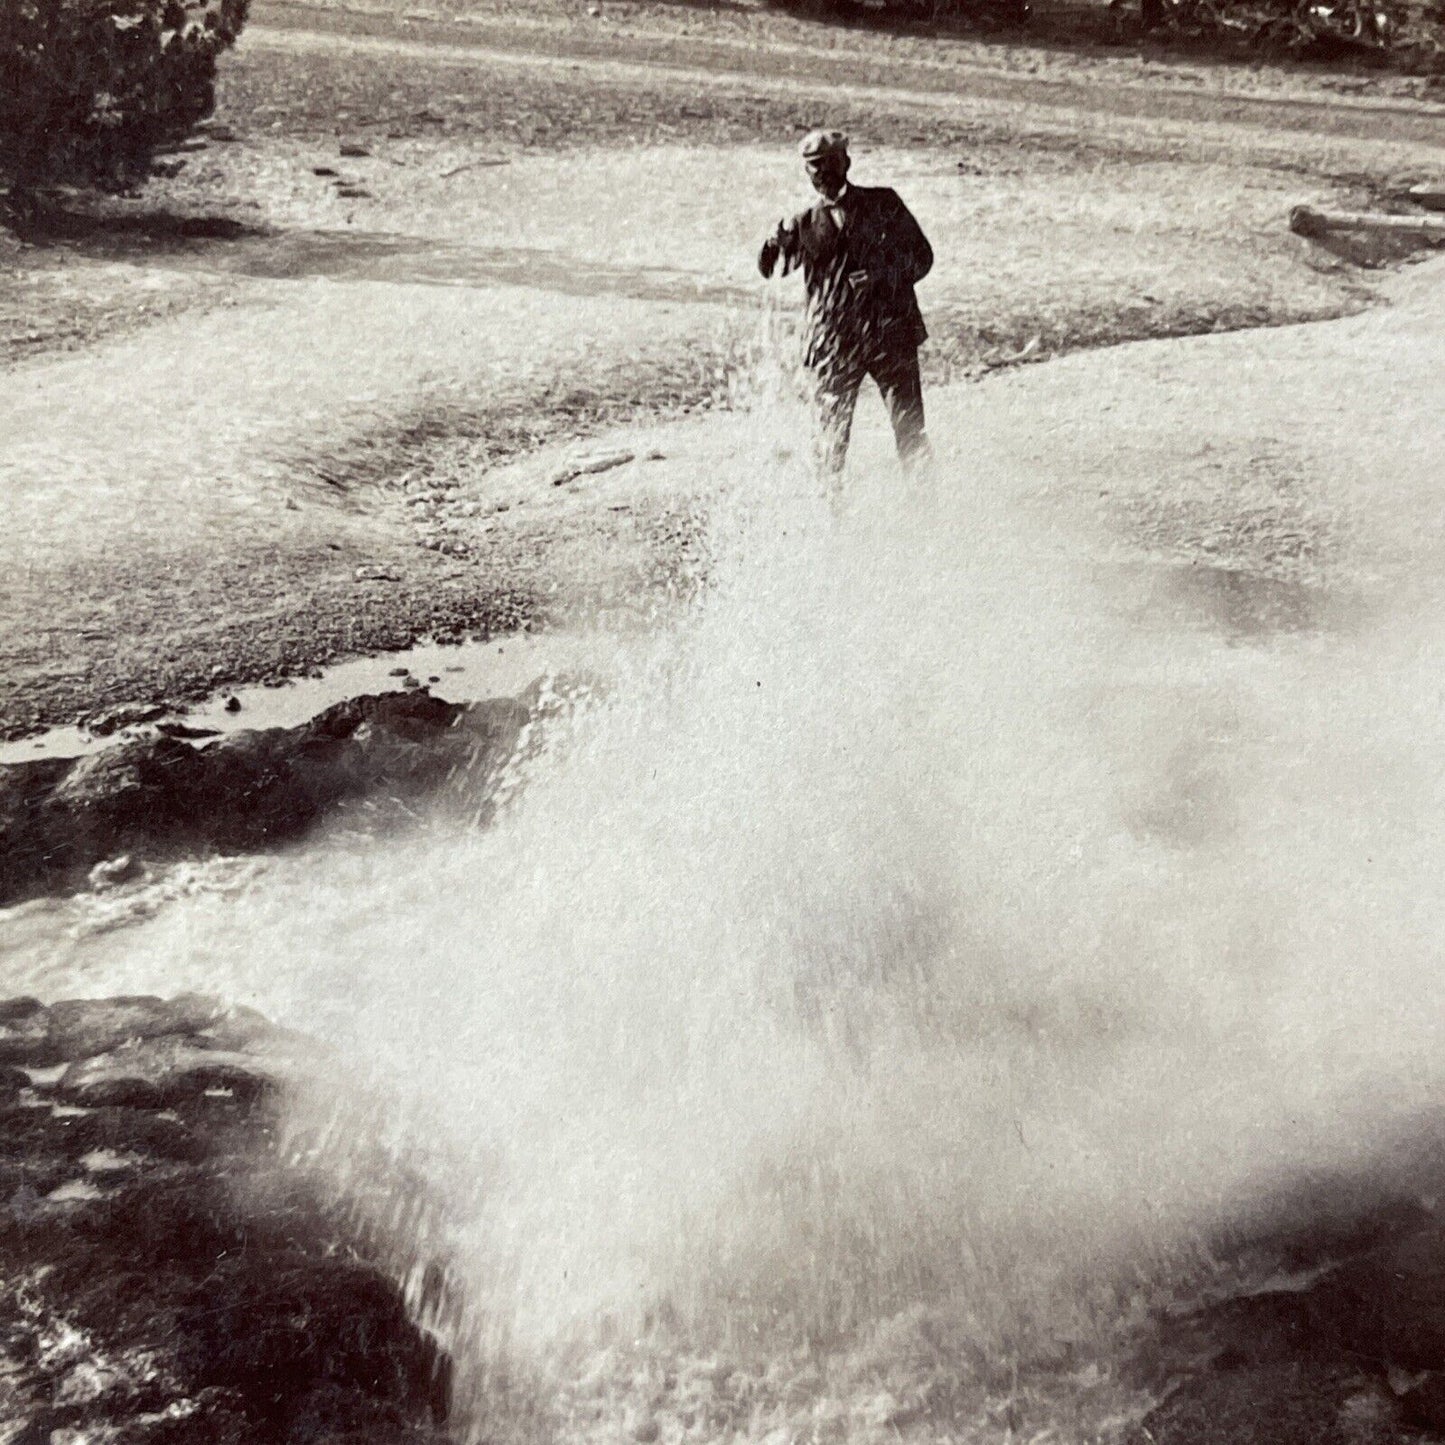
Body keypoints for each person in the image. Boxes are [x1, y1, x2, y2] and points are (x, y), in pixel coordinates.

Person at [758, 129, 934, 484]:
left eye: (828, 164)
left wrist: (880, 277)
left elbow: (922, 257)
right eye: (812, 167)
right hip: (833, 346)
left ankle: (928, 513)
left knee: (910, 432)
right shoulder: (803, 222)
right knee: (829, 443)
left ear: (847, 163)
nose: (821, 173)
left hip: (889, 336)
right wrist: (773, 244)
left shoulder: (885, 204)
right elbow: (772, 272)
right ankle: (831, 524)